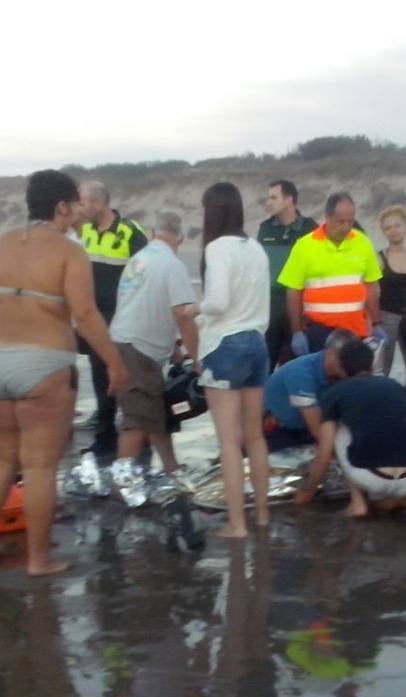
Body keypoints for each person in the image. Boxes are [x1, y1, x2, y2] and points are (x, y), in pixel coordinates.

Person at [0, 170, 128, 576]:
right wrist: (114, 361)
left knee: (1, 458)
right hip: (42, 361)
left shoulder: (0, 244)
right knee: (40, 465)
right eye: (76, 204)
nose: (80, 211)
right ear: (61, 207)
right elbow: (84, 314)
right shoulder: (70, 252)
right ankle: (38, 560)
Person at [194, 182, 272, 539]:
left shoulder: (216, 248)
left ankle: (236, 525)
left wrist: (196, 310)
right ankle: (261, 515)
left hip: (225, 345)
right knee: (254, 437)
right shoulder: (255, 248)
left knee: (228, 441)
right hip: (258, 342)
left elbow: (218, 301)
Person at [294, 340, 406, 526]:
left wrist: (306, 494)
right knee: (390, 428)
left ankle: (357, 503)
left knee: (338, 428)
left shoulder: (336, 392)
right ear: (371, 364)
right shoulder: (396, 387)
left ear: (342, 367)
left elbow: (324, 455)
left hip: (371, 476)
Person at [109, 211, 199, 471]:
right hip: (139, 351)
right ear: (180, 238)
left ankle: (172, 468)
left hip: (122, 343)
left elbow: (140, 304)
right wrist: (197, 358)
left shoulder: (138, 260)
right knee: (137, 421)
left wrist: (172, 347)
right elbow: (183, 316)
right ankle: (121, 482)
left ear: (152, 232)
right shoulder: (172, 265)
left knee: (155, 414)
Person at [78, 181, 148, 461]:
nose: (80, 209)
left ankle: (140, 440)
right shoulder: (85, 231)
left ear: (98, 204)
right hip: (95, 318)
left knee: (128, 380)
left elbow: (146, 276)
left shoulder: (130, 232)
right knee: (98, 376)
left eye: (83, 203)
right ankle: (104, 438)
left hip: (125, 319)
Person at [278, 192, 383, 355]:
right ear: (327, 217)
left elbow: (371, 286)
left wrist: (376, 323)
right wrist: (297, 331)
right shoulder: (304, 246)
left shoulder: (363, 243)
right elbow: (293, 292)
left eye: (350, 221)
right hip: (319, 332)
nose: (346, 227)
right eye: (340, 221)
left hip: (356, 331)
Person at [262, 328, 355, 450]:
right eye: (345, 360)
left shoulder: (343, 373)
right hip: (276, 430)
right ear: (330, 353)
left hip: (304, 428)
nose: (350, 365)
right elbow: (316, 428)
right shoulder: (301, 373)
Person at [257, 180, 317, 370]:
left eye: (274, 197)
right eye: (268, 198)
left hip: (299, 305)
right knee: (264, 367)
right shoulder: (265, 228)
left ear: (289, 200)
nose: (269, 202)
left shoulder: (310, 228)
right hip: (270, 306)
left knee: (298, 367)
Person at [376, 206, 406, 410]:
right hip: (386, 317)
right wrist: (374, 321)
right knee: (383, 368)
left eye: (397, 225)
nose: (393, 230)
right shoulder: (380, 258)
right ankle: (383, 411)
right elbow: (372, 291)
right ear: (384, 232)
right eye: (388, 228)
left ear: (405, 227)